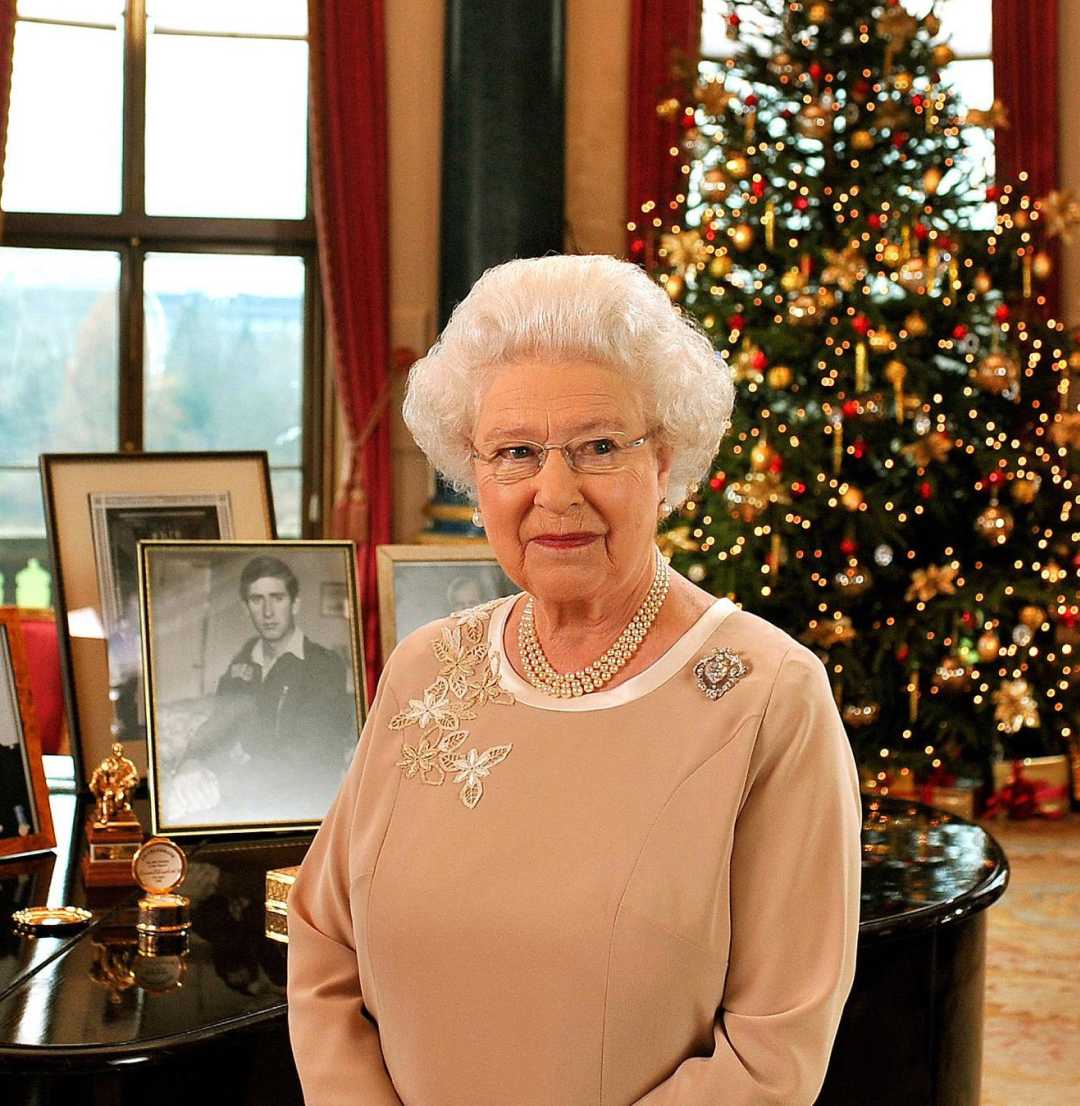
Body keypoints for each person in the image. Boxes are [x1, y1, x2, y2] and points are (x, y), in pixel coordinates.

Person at [287, 254, 862, 1105]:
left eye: (598, 447)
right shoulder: (424, 670)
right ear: (474, 474)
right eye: (515, 453)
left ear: (665, 462)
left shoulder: (770, 698)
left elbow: (773, 1057)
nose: (554, 493)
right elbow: (322, 943)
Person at [166, 555, 356, 823]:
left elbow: (309, 753)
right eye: (257, 600)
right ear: (246, 608)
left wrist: (223, 784)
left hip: (305, 802)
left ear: (295, 604)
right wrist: (192, 761)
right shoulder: (244, 660)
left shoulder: (322, 666)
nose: (268, 612)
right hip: (248, 791)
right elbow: (219, 723)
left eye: (277, 598)